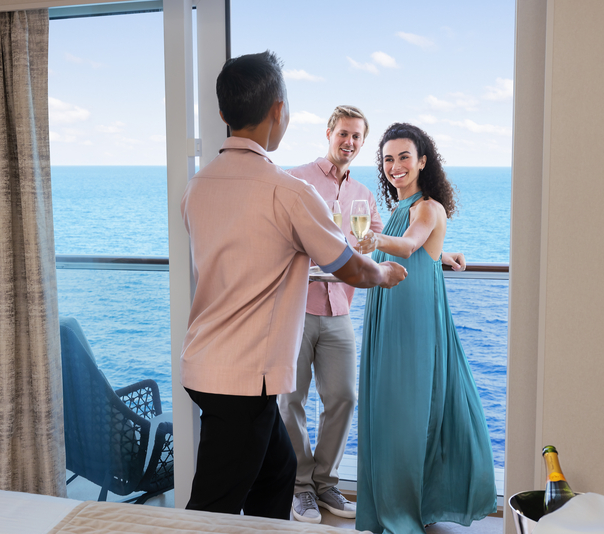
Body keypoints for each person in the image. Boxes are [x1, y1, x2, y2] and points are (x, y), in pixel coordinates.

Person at [179, 51, 407, 520]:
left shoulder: (197, 185)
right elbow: (350, 267)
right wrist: (384, 273)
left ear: (224, 113)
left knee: (278, 475)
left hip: (204, 363)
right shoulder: (288, 190)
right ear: (279, 110)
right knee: (210, 511)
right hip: (243, 378)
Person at [278, 106, 466, 524]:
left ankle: (325, 483)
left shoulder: (363, 194)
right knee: (291, 400)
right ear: (329, 133)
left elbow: (389, 241)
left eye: (357, 137)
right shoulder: (296, 180)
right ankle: (300, 486)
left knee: (343, 397)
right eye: (343, 133)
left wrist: (439, 253)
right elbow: (281, 236)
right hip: (298, 305)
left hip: (340, 305)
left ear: (362, 143)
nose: (349, 141)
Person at [354, 123, 497, 533]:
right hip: (390, 308)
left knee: (406, 411)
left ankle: (405, 509)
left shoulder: (427, 206)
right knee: (389, 407)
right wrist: (445, 253)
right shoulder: (402, 208)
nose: (395, 166)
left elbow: (412, 244)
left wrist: (372, 239)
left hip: (412, 320)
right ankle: (397, 500)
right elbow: (421, 245)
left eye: (403, 157)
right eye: (387, 159)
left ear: (421, 161)